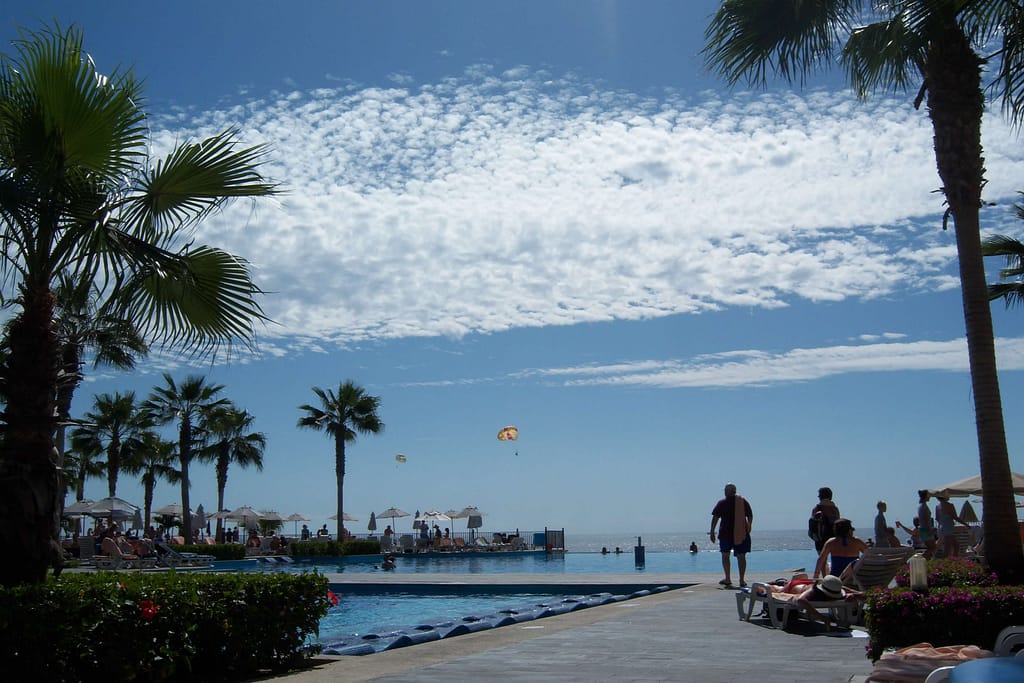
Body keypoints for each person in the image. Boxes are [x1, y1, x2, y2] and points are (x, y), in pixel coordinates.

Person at [709, 482, 754, 588]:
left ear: (728, 492)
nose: (724, 492)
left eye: (725, 490)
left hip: (727, 533)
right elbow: (750, 515)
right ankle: (741, 580)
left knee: (726, 555)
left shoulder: (723, 503)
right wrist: (749, 525)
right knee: (741, 556)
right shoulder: (742, 501)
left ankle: (728, 578)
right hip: (740, 533)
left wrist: (712, 531)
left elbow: (715, 518)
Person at [794, 575, 863, 631]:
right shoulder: (813, 591)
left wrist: (855, 596)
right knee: (783, 588)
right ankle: (783, 582)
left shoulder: (835, 588)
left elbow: (860, 594)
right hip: (796, 587)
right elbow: (800, 600)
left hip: (807, 584)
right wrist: (821, 617)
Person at [808, 487, 840, 553]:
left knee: (822, 558)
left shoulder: (817, 508)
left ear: (820, 496)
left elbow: (813, 525)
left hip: (820, 538)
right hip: (833, 537)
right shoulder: (835, 509)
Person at [916, 490, 938, 559]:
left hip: (924, 529)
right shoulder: (924, 507)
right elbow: (926, 520)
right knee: (932, 548)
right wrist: (930, 530)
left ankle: (926, 560)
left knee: (932, 547)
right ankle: (919, 559)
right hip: (926, 530)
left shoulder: (921, 506)